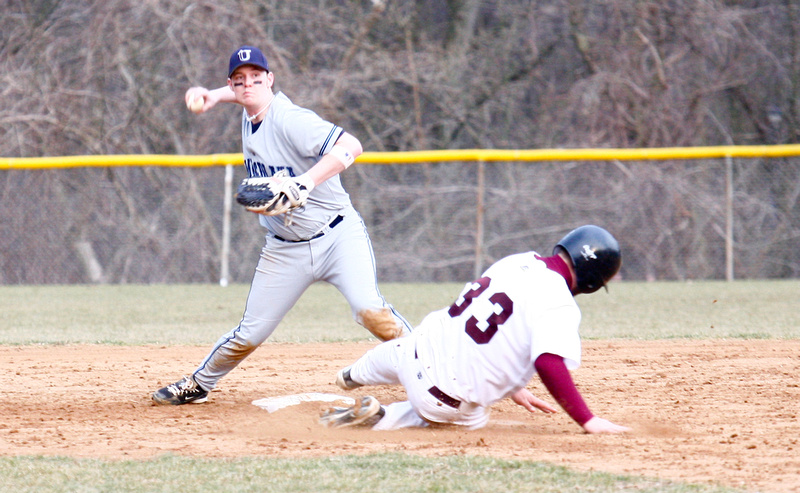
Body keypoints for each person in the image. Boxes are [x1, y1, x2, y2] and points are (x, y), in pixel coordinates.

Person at [152, 45, 410, 405]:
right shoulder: (248, 108)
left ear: (271, 80)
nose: (248, 86)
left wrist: (305, 182)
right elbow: (241, 95)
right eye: (240, 81)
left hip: (337, 236)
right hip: (284, 247)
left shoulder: (291, 120)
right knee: (249, 334)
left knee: (371, 311)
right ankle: (200, 383)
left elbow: (353, 145)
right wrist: (212, 96)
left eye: (257, 78)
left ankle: (435, 370)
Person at [320, 225, 631, 434]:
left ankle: (352, 375)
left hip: (410, 350)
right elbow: (548, 362)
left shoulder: (518, 261)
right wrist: (587, 420)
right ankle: (382, 418)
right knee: (472, 418)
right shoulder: (559, 303)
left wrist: (515, 387)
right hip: (438, 395)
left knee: (404, 351)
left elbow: (490, 326)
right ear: (592, 281)